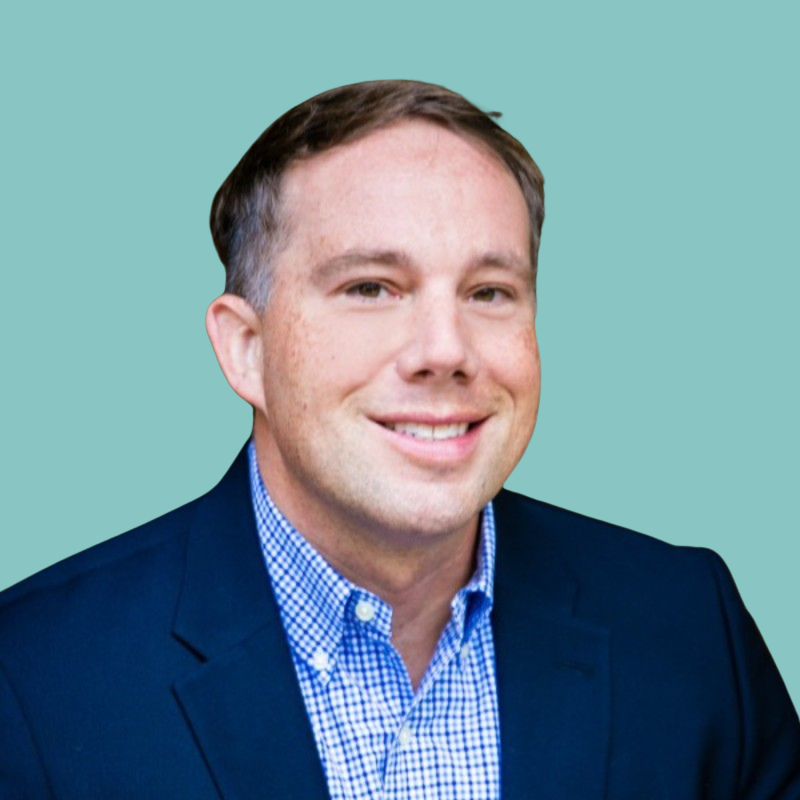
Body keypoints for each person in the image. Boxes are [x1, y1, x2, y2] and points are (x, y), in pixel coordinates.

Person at [0, 80, 798, 800]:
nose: (445, 351)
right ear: (246, 350)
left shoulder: (691, 626)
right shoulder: (31, 675)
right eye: (371, 288)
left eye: (490, 292)